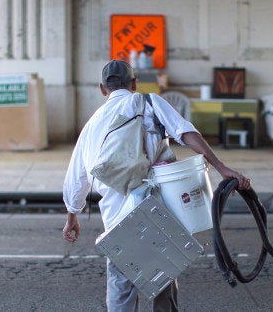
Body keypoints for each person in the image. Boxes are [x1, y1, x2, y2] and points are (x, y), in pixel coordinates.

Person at [62, 60, 251, 311]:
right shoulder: (147, 102)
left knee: (121, 285)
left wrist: (72, 215)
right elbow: (185, 133)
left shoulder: (91, 125)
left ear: (102, 88)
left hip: (116, 219)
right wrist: (221, 168)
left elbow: (76, 178)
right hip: (153, 211)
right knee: (163, 278)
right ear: (134, 83)